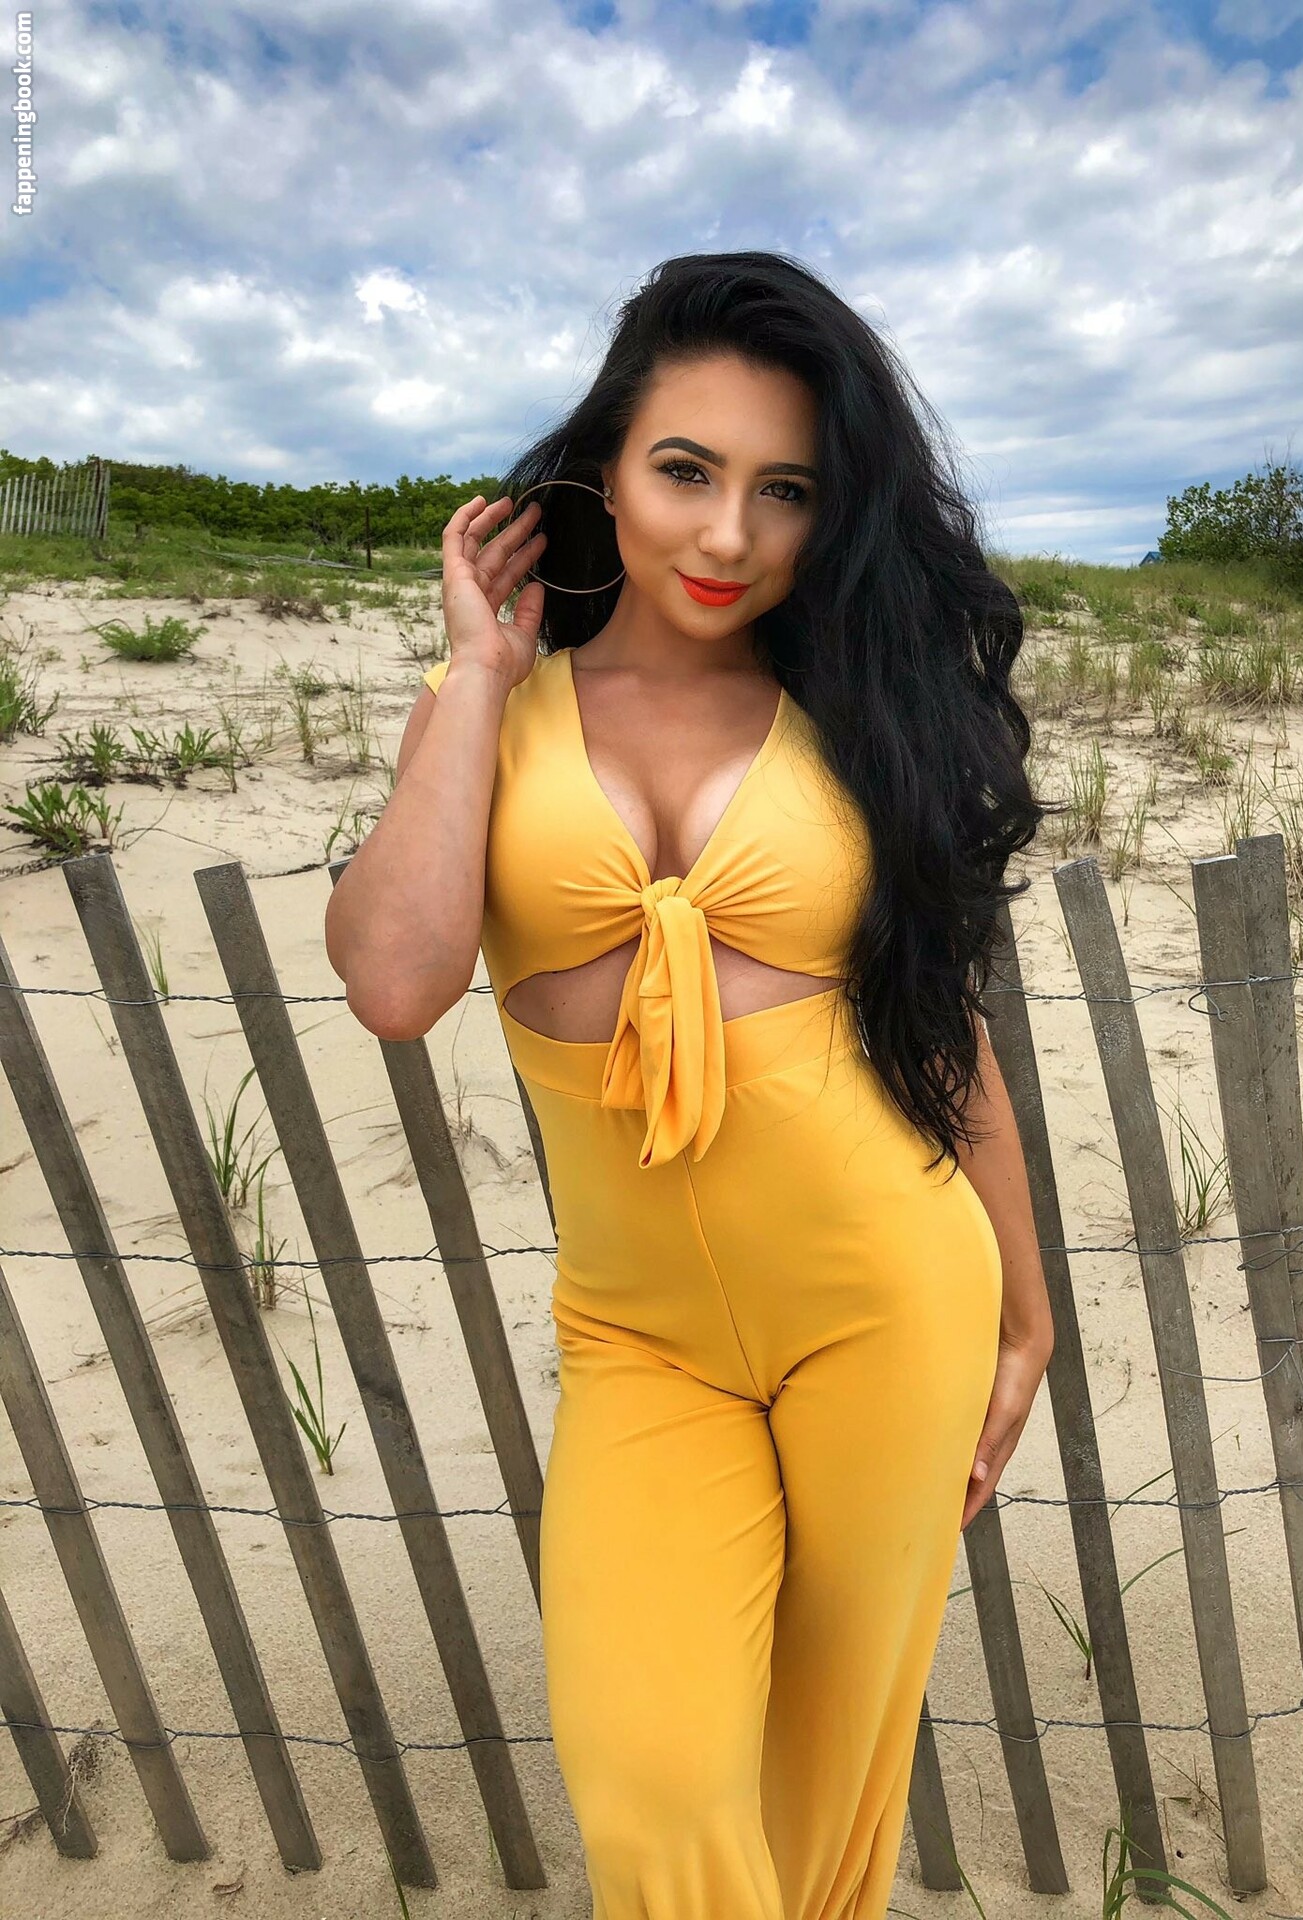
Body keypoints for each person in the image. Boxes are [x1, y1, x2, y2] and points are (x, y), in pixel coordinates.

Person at [326, 250, 1053, 1920]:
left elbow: (940, 1027)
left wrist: (1026, 1314)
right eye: (686, 471)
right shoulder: (489, 712)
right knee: (655, 1795)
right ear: (605, 467)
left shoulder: (859, 711)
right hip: (642, 1340)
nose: (730, 536)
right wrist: (476, 676)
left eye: (785, 489)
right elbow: (395, 982)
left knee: (826, 1796)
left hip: (889, 1303)